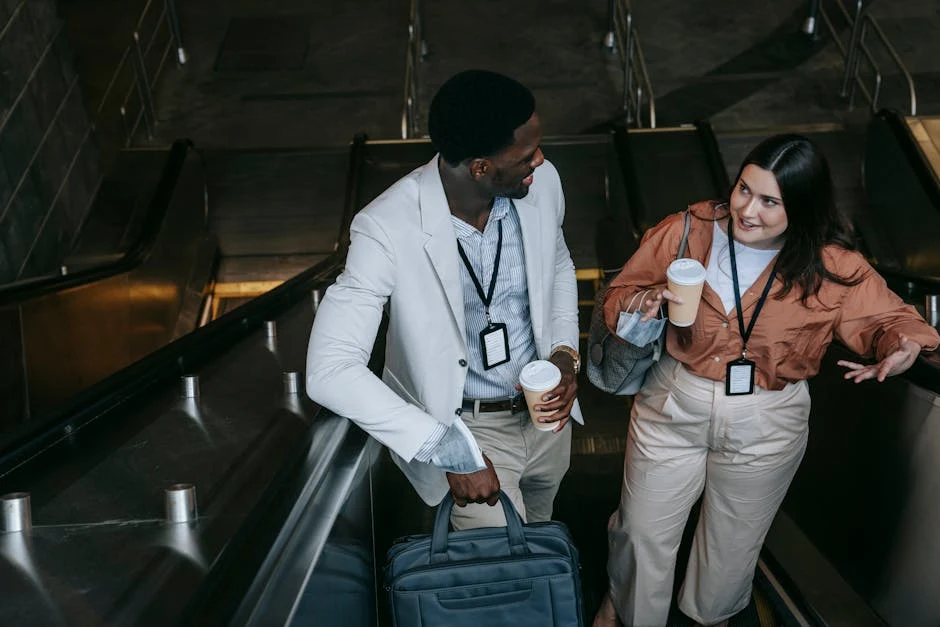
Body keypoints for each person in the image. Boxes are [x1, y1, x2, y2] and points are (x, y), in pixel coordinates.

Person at [593, 134, 940, 627]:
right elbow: (620, 291)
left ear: (800, 206)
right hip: (675, 401)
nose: (747, 210)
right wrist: (642, 305)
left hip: (768, 418)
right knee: (640, 531)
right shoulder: (687, 230)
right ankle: (627, 612)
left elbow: (890, 320)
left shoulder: (833, 265)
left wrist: (902, 347)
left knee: (732, 547)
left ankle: (707, 619)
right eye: (743, 190)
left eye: (769, 201)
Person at [305, 69, 582, 530]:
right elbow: (330, 369)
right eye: (527, 154)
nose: (541, 161)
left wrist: (565, 355)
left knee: (541, 545)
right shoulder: (385, 227)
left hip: (547, 421)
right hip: (469, 431)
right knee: (503, 576)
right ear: (480, 167)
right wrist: (446, 446)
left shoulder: (542, 184)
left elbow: (557, 265)